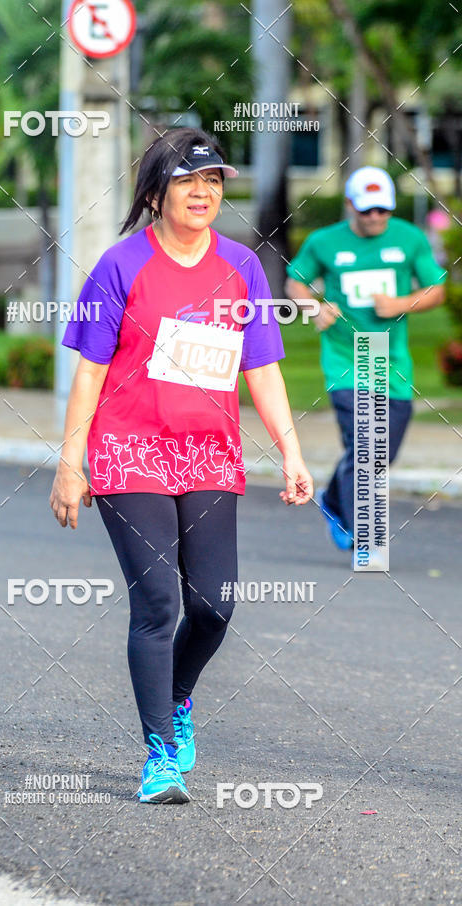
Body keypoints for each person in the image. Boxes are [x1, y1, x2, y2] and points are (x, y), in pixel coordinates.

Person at [50, 127, 313, 804]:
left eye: (213, 181)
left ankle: (178, 694)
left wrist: (291, 450)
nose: (203, 192)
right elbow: (90, 372)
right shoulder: (120, 265)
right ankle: (159, 754)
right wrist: (70, 463)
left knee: (215, 604)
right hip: (128, 450)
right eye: (188, 180)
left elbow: (262, 367)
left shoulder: (242, 266)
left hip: (208, 454)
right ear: (155, 193)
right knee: (159, 604)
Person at [285, 166, 446, 559]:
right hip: (345, 360)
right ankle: (364, 535)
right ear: (350, 205)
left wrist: (401, 303)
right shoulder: (324, 241)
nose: (375, 217)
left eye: (382, 209)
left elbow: (436, 289)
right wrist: (313, 307)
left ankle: (332, 498)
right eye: (367, 209)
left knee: (382, 453)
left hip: (393, 363)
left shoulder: (409, 238)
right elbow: (296, 282)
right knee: (365, 448)